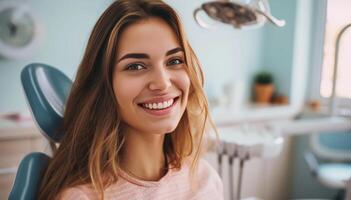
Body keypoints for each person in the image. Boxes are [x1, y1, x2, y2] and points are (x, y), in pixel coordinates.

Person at [38, 0, 223, 199]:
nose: (162, 83)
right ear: (103, 84)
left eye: (175, 61)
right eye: (135, 66)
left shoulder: (204, 179)